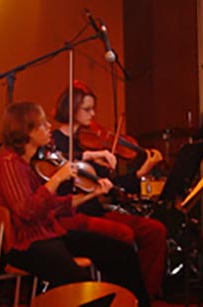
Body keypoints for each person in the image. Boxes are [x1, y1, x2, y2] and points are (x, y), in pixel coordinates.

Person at [0, 101, 150, 306]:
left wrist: (92, 194)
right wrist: (57, 179)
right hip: (27, 245)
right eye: (42, 124)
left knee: (121, 252)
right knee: (82, 285)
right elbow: (27, 211)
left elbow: (53, 206)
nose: (49, 127)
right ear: (27, 131)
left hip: (50, 233)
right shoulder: (9, 163)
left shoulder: (27, 162)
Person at [51, 80, 167, 298]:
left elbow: (111, 185)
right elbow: (58, 162)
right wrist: (91, 156)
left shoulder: (83, 142)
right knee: (122, 234)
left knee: (154, 231)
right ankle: (118, 296)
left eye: (92, 108)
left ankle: (143, 297)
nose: (93, 114)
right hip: (71, 214)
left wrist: (142, 171)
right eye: (86, 109)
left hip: (95, 210)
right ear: (71, 109)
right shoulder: (54, 142)